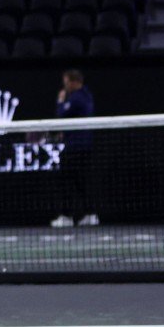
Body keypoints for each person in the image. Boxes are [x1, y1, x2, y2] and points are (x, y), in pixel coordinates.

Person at [49, 68, 98, 227]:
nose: (65, 86)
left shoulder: (77, 98)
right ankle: (89, 214)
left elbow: (61, 115)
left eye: (67, 82)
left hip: (75, 147)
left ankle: (66, 216)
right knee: (80, 182)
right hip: (80, 145)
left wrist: (61, 101)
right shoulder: (86, 95)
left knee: (66, 181)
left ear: (75, 82)